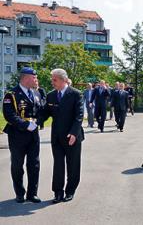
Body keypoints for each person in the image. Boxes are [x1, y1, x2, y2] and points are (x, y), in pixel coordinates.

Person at [39, 68, 84, 203]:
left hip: (72, 137)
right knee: (58, 165)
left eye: (55, 80)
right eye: (52, 79)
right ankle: (58, 192)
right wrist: (36, 121)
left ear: (63, 80)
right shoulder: (51, 95)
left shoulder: (76, 94)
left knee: (73, 165)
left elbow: (79, 115)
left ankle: (70, 191)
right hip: (57, 137)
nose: (52, 82)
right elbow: (45, 112)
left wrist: (73, 132)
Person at [2, 67, 42, 203]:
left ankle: (32, 193)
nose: (36, 80)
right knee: (18, 165)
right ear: (26, 78)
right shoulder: (11, 94)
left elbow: (40, 111)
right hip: (17, 135)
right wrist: (25, 125)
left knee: (34, 164)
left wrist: (38, 122)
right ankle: (20, 193)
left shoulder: (36, 93)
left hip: (33, 135)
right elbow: (9, 115)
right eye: (34, 77)